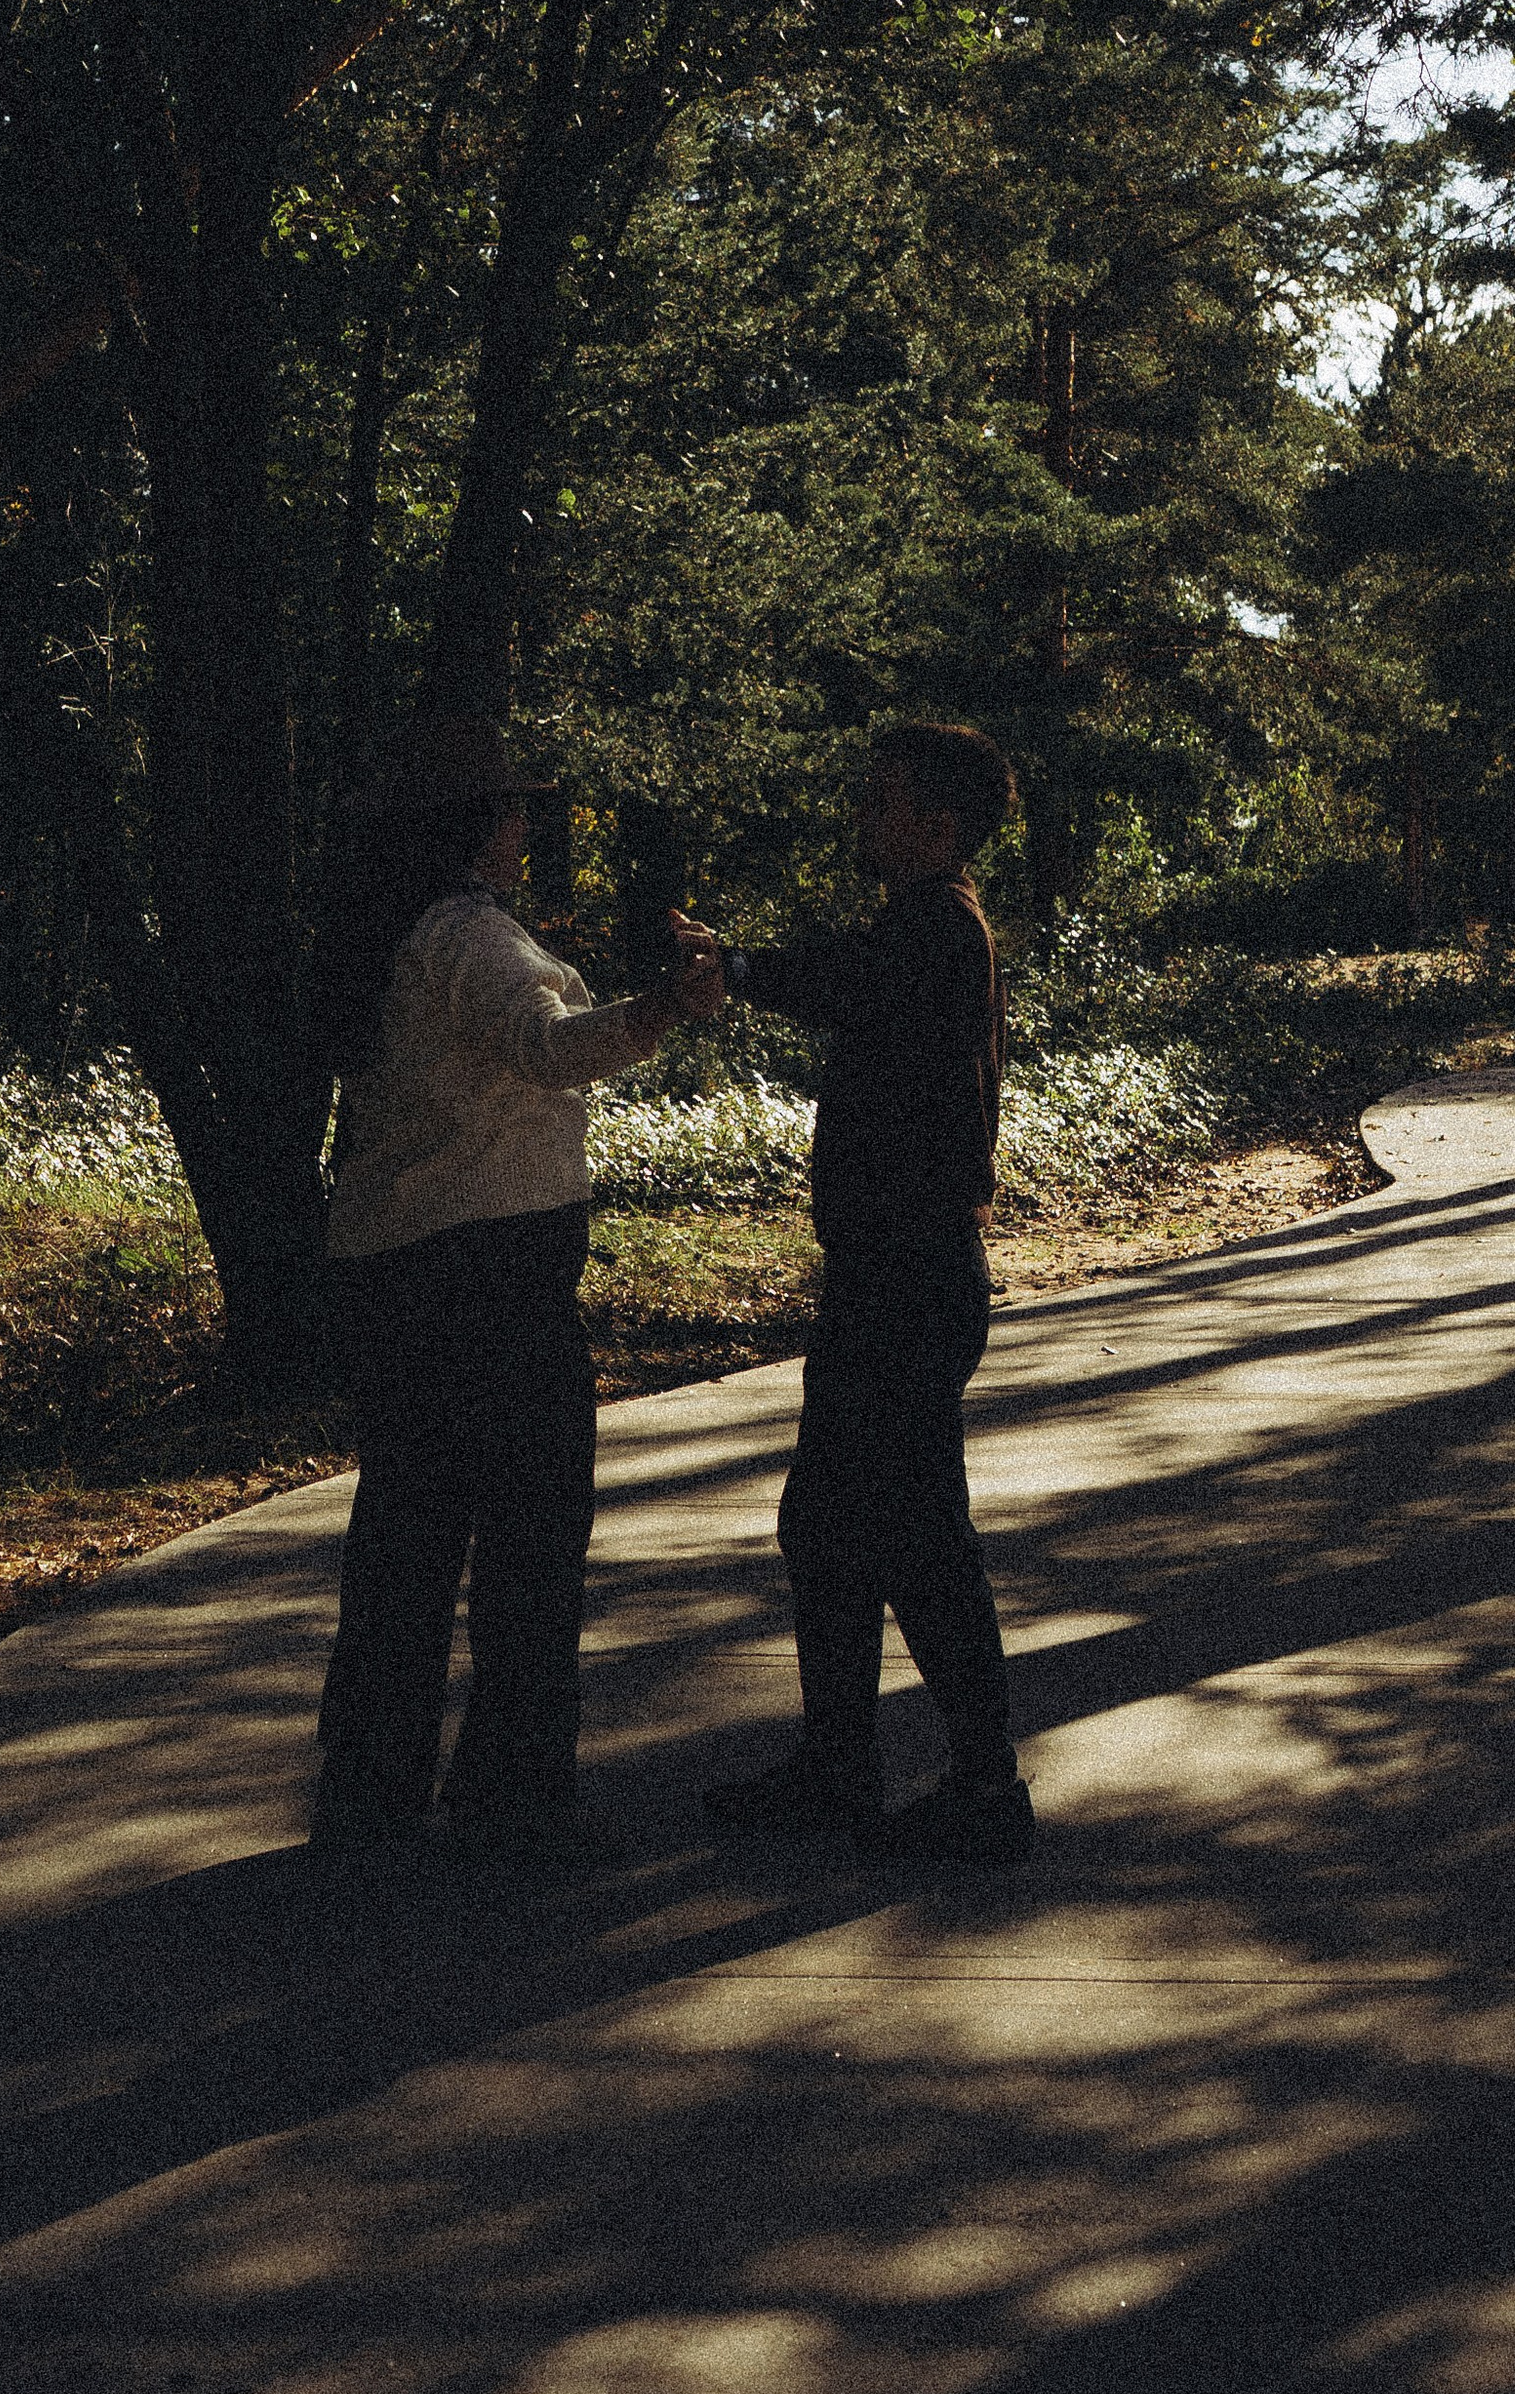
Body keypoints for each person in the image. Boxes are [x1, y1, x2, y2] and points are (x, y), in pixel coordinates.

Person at [310, 718, 719, 1862]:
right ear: (475, 826)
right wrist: (661, 1014)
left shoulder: (388, 931)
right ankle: (513, 1785)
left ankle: (373, 1779)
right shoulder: (469, 936)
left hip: (394, 1263)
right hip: (487, 1269)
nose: (526, 824)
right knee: (532, 1530)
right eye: (511, 806)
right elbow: (547, 1050)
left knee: (408, 1525)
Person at [701, 721, 1031, 1870]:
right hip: (890, 1273)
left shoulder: (937, 925)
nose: (863, 816)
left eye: (883, 801)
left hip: (911, 1276)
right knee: (830, 1527)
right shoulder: (927, 922)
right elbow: (851, 979)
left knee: (917, 1533)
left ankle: (985, 1784)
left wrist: (737, 970)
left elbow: (843, 983)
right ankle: (839, 1768)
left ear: (937, 827)